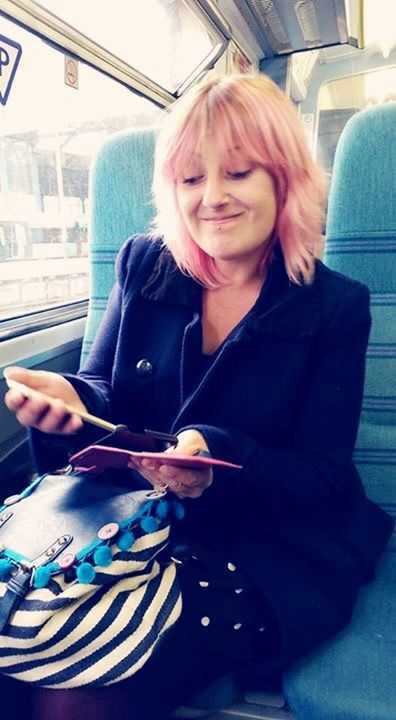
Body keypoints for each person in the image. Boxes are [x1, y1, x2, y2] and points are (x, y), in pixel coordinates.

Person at [3, 72, 394, 720]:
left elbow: (322, 475)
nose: (212, 197)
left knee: (70, 705)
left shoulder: (335, 307)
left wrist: (216, 460)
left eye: (238, 173)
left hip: (261, 543)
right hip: (123, 517)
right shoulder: (143, 263)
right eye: (190, 179)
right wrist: (66, 400)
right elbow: (105, 392)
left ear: (283, 179)